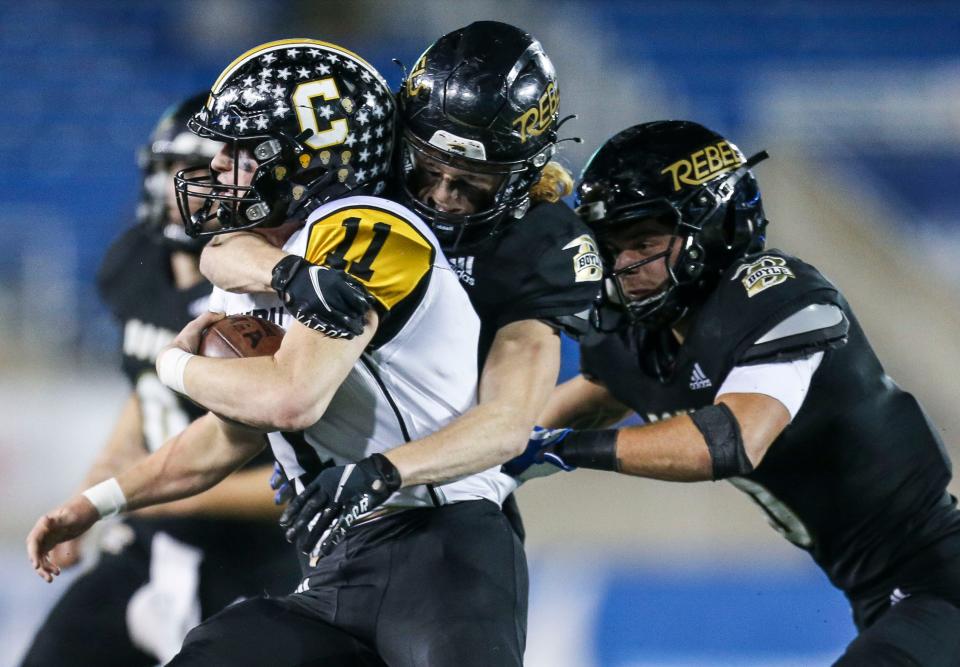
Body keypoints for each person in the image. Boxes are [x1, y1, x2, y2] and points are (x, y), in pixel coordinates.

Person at [27, 39, 526, 667]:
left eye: (242, 153)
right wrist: (93, 504)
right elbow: (226, 438)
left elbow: (290, 400)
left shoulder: (371, 229)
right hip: (336, 570)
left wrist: (174, 365)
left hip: (445, 552)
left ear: (309, 163)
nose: (220, 169)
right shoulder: (262, 259)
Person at [508, 120, 960, 666]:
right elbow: (572, 407)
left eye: (645, 243)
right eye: (613, 247)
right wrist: (487, 460)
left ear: (713, 228)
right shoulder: (640, 337)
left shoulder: (775, 295)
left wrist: (561, 450)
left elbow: (730, 439)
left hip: (939, 580)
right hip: (884, 596)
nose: (625, 267)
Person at [198, 20, 603, 543]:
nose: (441, 196)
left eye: (472, 184)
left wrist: (382, 471)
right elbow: (223, 248)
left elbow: (506, 421)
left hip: (439, 487)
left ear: (522, 176)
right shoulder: (369, 165)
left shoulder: (544, 245)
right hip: (334, 447)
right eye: (425, 169)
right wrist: (285, 273)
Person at [19, 94, 298, 667]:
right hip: (152, 547)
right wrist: (94, 495)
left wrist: (174, 497)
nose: (184, 193)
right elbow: (146, 394)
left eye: (205, 175)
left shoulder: (258, 296)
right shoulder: (131, 261)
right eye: (176, 172)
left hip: (262, 565)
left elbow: (307, 464)